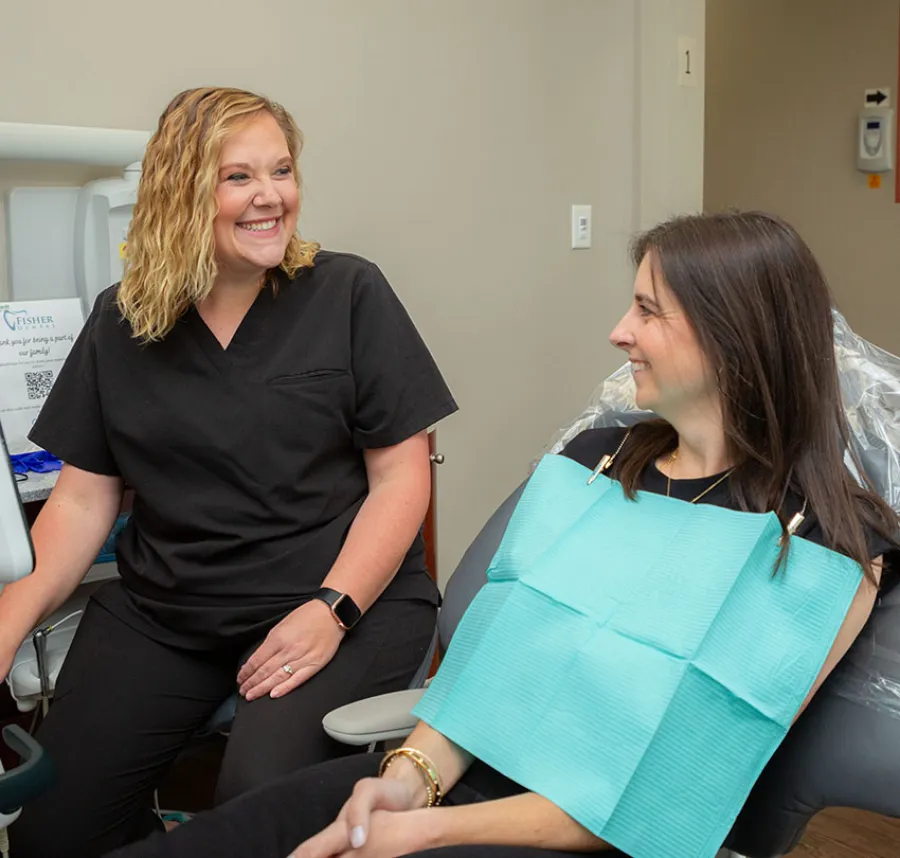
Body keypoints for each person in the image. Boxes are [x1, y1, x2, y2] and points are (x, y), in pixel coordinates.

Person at [105, 210, 899, 858]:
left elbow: (658, 795)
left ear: (735, 337)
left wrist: (427, 828)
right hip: (458, 791)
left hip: (603, 838)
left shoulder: (820, 540)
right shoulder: (597, 464)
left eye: (649, 311)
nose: (619, 333)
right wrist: (408, 778)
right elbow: (490, 673)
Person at [0, 86, 457, 857]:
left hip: (339, 603)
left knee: (254, 810)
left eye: (281, 171)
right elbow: (81, 504)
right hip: (170, 613)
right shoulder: (124, 321)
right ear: (181, 192)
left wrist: (331, 610)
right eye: (238, 177)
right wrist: (9, 621)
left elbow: (404, 479)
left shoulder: (347, 292)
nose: (271, 197)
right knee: (52, 824)